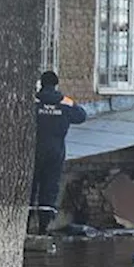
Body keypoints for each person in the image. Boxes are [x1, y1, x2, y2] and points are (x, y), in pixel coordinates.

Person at [31, 71, 87, 235]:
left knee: (30, 188)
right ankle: (43, 228)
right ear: (56, 84)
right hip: (56, 152)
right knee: (49, 188)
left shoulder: (33, 101)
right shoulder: (65, 102)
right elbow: (81, 116)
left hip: (34, 151)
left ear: (41, 83)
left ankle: (25, 227)